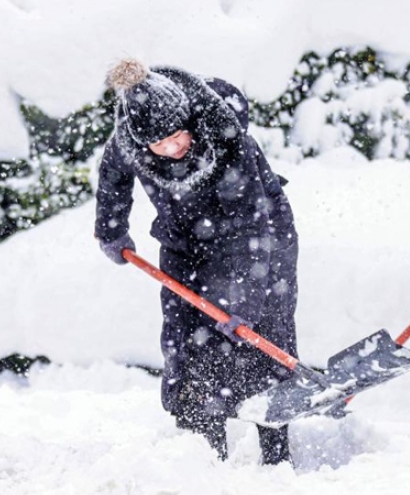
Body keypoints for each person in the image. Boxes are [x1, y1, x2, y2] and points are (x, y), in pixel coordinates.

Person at [94, 59, 299, 463]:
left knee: (262, 339)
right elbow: (112, 176)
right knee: (185, 341)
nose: (170, 149)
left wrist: (244, 305)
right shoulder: (130, 137)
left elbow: (250, 227)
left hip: (260, 233)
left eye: (176, 137)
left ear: (189, 120)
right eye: (159, 144)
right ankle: (201, 459)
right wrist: (110, 229)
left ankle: (276, 459)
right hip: (184, 240)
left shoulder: (226, 137)